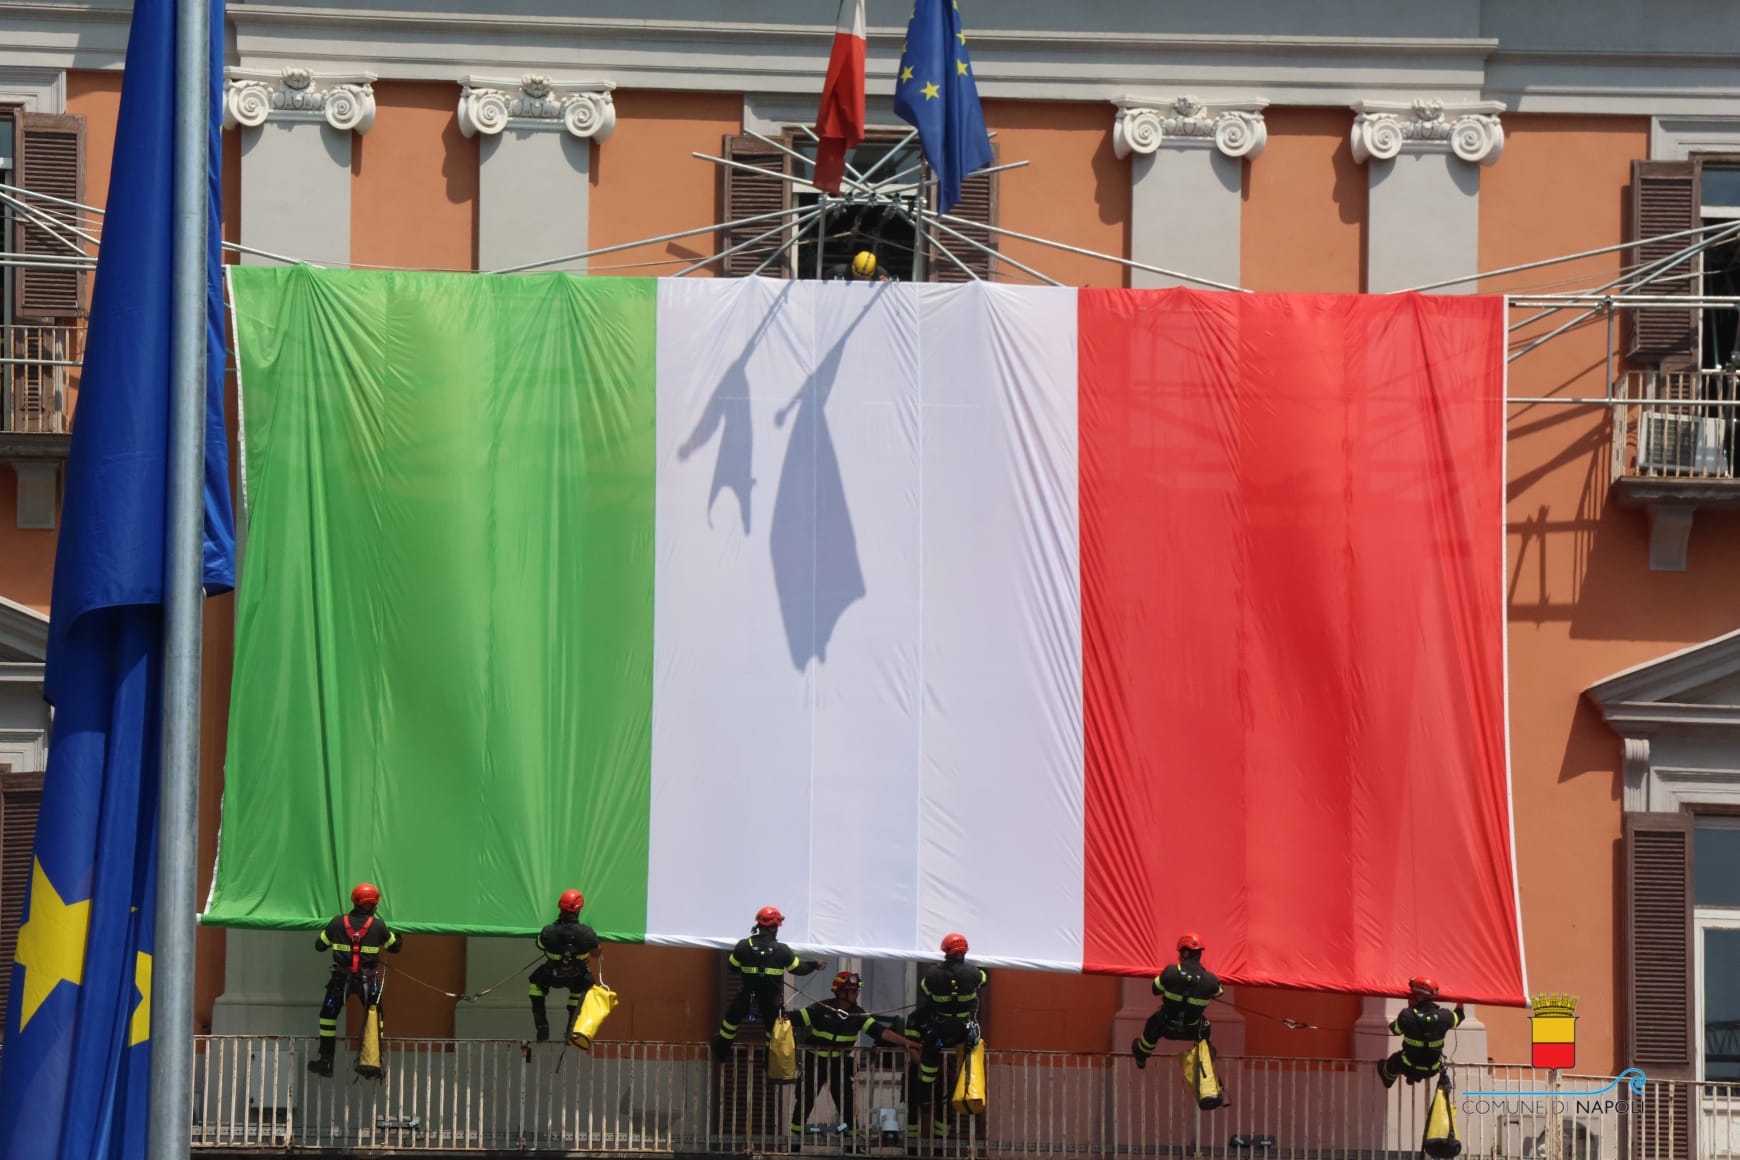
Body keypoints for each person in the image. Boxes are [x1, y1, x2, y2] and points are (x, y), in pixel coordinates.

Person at [788, 972, 916, 1143]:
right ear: (841, 993)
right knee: (805, 1101)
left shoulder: (858, 1015)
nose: (857, 994)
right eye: (853, 991)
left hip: (839, 1063)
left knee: (846, 1104)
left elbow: (882, 1032)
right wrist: (776, 1014)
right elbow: (794, 1019)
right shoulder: (821, 1008)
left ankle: (852, 1146)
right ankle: (794, 1143)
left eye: (857, 991)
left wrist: (908, 1043)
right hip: (815, 1062)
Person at [309, 882, 402, 1077]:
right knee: (376, 1018)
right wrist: (398, 931)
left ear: (355, 902)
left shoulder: (337, 923)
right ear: (374, 905)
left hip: (340, 982)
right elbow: (395, 947)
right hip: (367, 983)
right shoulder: (378, 926)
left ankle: (326, 1061)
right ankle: (374, 1063)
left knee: (328, 1016)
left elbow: (319, 945)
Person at [904, 932, 988, 1144]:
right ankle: (966, 1084)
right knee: (969, 1053)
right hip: (962, 1029)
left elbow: (927, 992)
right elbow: (983, 981)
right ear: (965, 951)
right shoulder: (973, 973)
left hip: (940, 1029)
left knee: (929, 1060)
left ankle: (925, 1095)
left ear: (945, 952)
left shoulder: (932, 975)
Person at [712, 905, 825, 1061]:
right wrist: (815, 965)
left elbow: (732, 967)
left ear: (758, 925)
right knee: (773, 1030)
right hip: (771, 1002)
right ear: (773, 928)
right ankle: (769, 1062)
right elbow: (798, 969)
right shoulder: (782, 950)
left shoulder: (743, 946)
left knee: (731, 1020)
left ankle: (722, 1050)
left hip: (746, 998)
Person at [1130, 932, 1222, 1069]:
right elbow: (1218, 992)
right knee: (1205, 1026)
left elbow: (1155, 989)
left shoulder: (1170, 972)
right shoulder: (1211, 980)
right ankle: (1207, 1056)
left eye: (1181, 952)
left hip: (1166, 1026)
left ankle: (1142, 1055)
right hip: (1192, 1029)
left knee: (1153, 1023)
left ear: (1184, 953)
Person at [529, 888, 601, 1042]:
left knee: (535, 983)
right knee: (584, 989)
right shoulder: (587, 933)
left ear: (560, 908)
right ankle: (572, 1030)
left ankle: (542, 1027)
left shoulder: (548, 931)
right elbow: (596, 953)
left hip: (551, 973)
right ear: (578, 910)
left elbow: (540, 945)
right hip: (577, 975)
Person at [1378, 976, 1465, 1088]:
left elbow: (1395, 1030)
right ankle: (1412, 1077)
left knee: (1393, 1060)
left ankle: (1388, 1079)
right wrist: (1461, 1001)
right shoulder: (1445, 1016)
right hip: (1432, 1070)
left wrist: (1409, 1009)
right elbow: (1459, 1016)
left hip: (1408, 1067)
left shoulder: (1406, 1015)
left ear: (1417, 996)